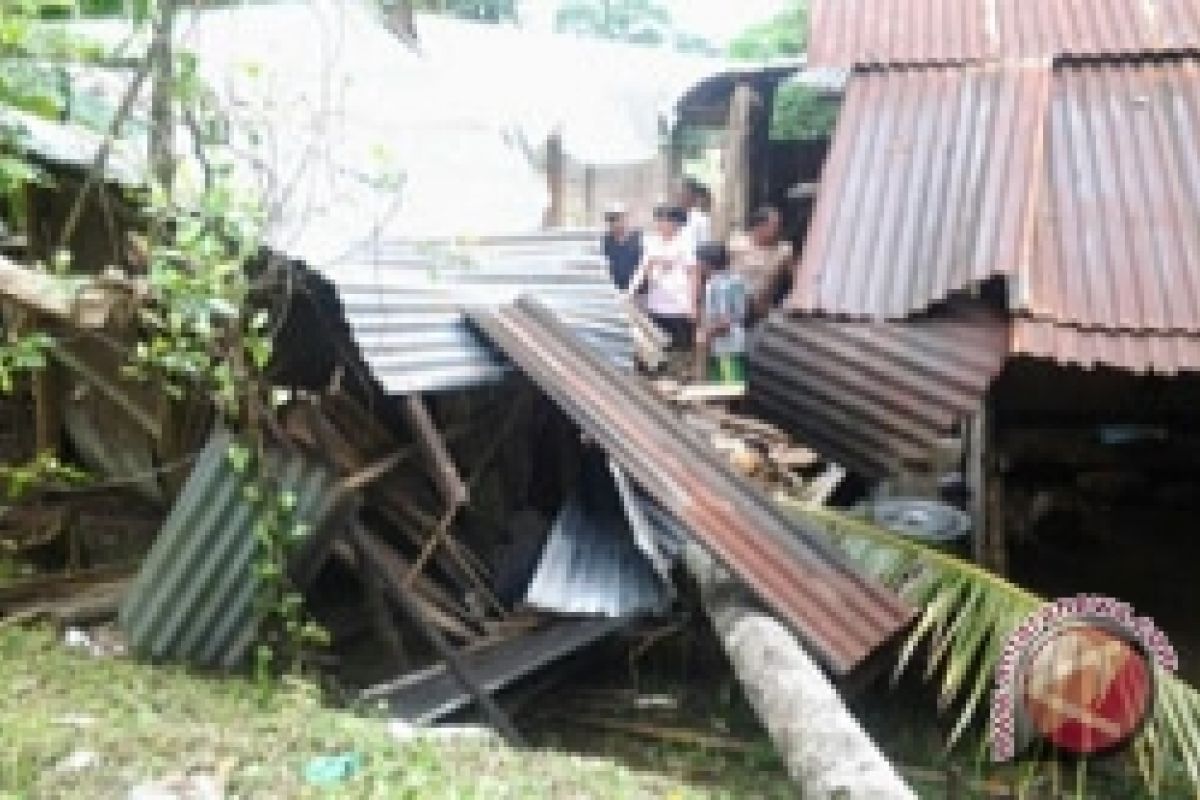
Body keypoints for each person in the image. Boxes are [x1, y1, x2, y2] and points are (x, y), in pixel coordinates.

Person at [626, 204, 698, 351]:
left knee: (679, 346)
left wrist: (692, 305)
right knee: (655, 344)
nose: (660, 224)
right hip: (654, 302)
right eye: (658, 220)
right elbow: (642, 270)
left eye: (663, 220)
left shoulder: (686, 242)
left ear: (676, 223)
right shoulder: (652, 242)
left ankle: (677, 371)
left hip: (678, 305)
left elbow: (693, 274)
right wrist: (631, 292)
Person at [729, 206, 795, 323]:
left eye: (779, 225)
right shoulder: (736, 243)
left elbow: (794, 278)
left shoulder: (784, 250)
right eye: (774, 225)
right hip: (731, 307)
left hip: (760, 311)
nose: (778, 229)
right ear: (759, 226)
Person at [697, 241, 748, 386]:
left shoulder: (715, 285)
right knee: (734, 384)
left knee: (723, 386)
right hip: (737, 339)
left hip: (722, 342)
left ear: (707, 264)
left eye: (699, 262)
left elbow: (724, 322)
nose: (698, 265)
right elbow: (740, 312)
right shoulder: (737, 279)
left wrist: (706, 334)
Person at [602, 201, 642, 291]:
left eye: (619, 219)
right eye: (612, 220)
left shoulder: (639, 239)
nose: (616, 223)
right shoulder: (606, 241)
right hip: (615, 291)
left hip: (638, 291)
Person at [681, 178, 713, 257]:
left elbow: (705, 245)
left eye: (683, 193)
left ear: (694, 196)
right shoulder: (679, 217)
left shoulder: (702, 219)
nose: (680, 197)